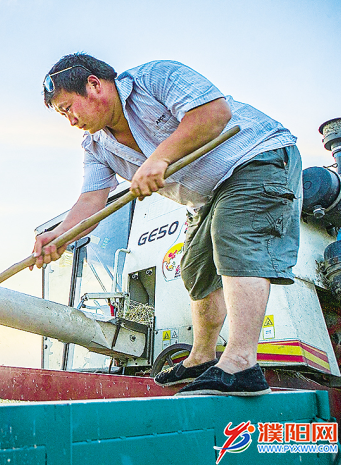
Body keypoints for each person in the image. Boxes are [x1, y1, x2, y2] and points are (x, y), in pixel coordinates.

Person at [34, 53, 301, 397]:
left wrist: (160, 157)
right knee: (194, 268)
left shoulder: (155, 78)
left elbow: (215, 113)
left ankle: (242, 363)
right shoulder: (96, 147)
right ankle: (203, 359)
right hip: (208, 196)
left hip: (255, 158)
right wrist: (60, 236)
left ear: (94, 85)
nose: (71, 120)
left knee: (234, 238)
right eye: (63, 115)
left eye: (69, 108)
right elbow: (90, 202)